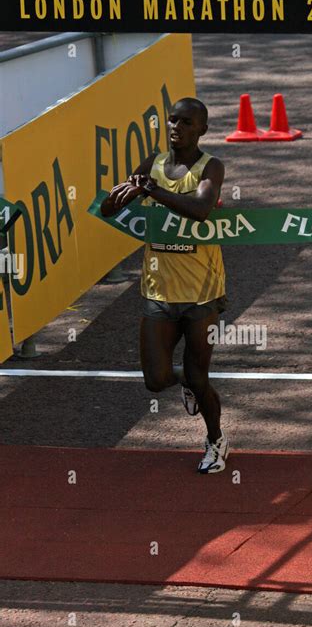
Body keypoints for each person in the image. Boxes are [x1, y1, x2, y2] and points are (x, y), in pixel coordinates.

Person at [100, 97, 229, 474]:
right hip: (159, 291)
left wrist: (153, 192)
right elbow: (110, 209)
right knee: (156, 381)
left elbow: (201, 209)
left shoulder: (210, 166)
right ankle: (185, 383)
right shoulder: (152, 164)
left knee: (200, 375)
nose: (176, 127)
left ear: (201, 129)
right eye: (172, 120)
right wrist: (126, 191)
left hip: (202, 293)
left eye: (186, 122)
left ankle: (216, 440)